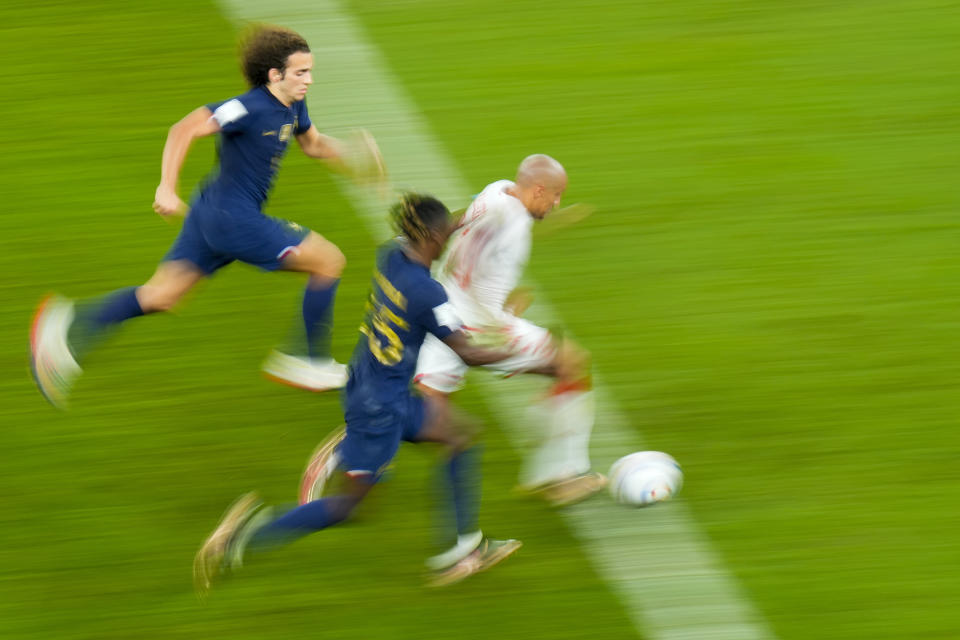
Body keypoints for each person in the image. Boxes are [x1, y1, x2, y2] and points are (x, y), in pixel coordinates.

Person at [29, 24, 385, 409]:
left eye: (310, 71)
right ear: (274, 75)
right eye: (301, 72)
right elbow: (183, 129)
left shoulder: (293, 105)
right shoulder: (247, 107)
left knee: (162, 295)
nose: (309, 80)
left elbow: (313, 145)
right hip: (232, 220)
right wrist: (166, 186)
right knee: (329, 261)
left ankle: (63, 327)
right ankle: (306, 358)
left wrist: (353, 154)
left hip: (210, 213)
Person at [194, 194, 522, 596]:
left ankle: (461, 550)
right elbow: (467, 353)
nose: (448, 240)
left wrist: (464, 218)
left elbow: (435, 228)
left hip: (368, 383)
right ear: (433, 237)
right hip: (379, 409)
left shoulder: (392, 256)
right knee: (349, 507)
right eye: (445, 235)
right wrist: (512, 352)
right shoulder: (427, 293)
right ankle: (241, 537)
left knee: (459, 437)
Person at [413, 154, 605, 507]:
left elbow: (458, 225)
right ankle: (558, 477)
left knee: (423, 414)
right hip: (478, 328)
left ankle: (355, 449)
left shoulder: (495, 192)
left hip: (439, 314)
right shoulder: (513, 228)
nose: (558, 204)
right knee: (570, 363)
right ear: (539, 189)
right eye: (556, 196)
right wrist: (507, 315)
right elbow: (487, 299)